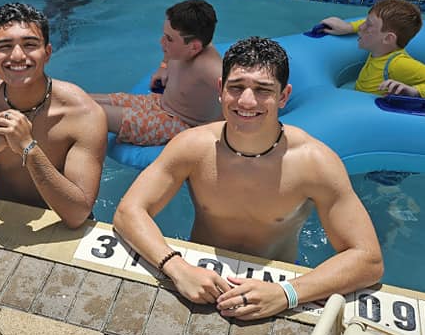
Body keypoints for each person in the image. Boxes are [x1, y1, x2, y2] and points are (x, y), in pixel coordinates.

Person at [113, 36, 383, 320]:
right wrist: (177, 268)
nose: (246, 101)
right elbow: (128, 211)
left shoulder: (313, 162)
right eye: (236, 87)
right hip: (198, 277)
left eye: (263, 90)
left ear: (283, 96)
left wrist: (286, 293)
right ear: (220, 89)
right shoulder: (193, 146)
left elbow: (368, 259)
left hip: (276, 284)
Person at [0, 2, 107, 229]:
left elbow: (78, 214)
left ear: (47, 53)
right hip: (5, 217)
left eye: (29, 44)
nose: (17, 56)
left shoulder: (83, 115)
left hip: (61, 221)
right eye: (5, 46)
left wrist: (29, 148)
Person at [92, 0, 222, 146]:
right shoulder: (190, 43)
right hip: (157, 102)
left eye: (169, 38)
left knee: (91, 112)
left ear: (194, 47)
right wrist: (163, 66)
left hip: (176, 124)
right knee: (84, 99)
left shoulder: (209, 67)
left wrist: (213, 130)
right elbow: (169, 51)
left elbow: (237, 95)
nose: (162, 42)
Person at [316, 0, 425, 99]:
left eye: (368, 25)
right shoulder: (380, 48)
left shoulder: (399, 65)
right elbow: (373, 25)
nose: (361, 27)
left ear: (388, 38)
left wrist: (416, 91)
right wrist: (348, 27)